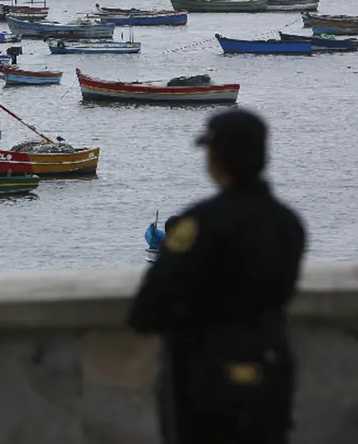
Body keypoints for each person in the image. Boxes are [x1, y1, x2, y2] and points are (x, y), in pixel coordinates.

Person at [128, 109, 306, 444]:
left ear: (217, 158)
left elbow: (146, 311)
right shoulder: (288, 224)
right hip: (271, 371)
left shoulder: (198, 224)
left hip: (206, 381)